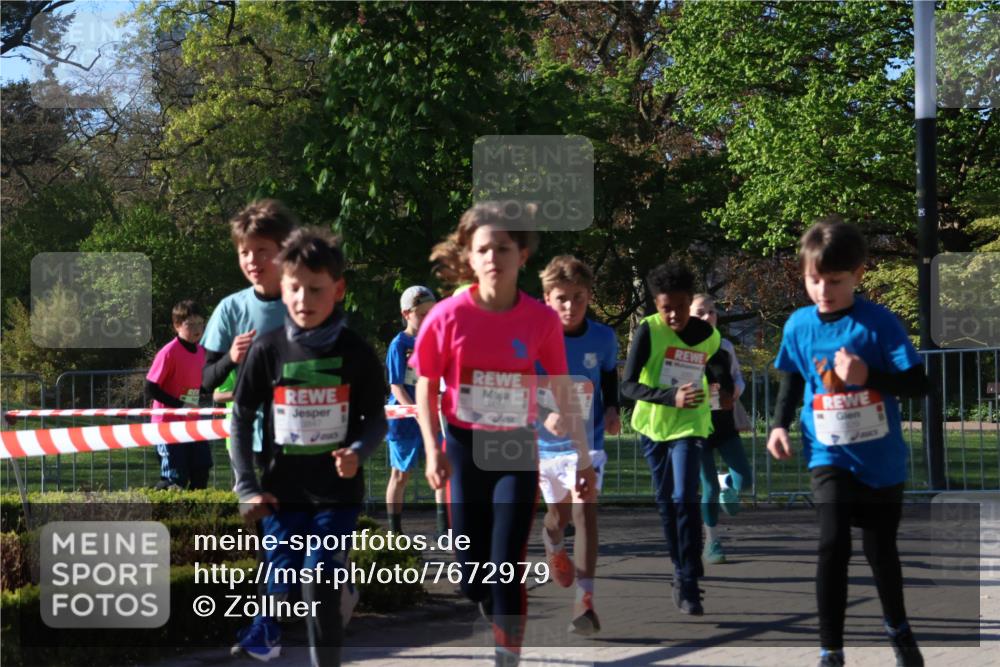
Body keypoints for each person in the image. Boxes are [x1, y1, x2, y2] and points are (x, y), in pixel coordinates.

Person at [411, 201, 597, 667]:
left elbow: (561, 389)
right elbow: (426, 384)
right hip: (463, 444)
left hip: (513, 444)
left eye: (503, 247)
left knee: (505, 566)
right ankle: (487, 602)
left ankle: (506, 656)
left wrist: (583, 459)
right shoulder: (447, 316)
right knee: (474, 576)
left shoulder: (540, 320)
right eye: (483, 249)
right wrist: (434, 451)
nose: (493, 257)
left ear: (522, 255)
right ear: (470, 258)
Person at [767, 218, 928, 667]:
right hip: (827, 453)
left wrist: (868, 377)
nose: (823, 290)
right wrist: (779, 425)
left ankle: (899, 630)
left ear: (859, 274)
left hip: (879, 460)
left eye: (835, 281)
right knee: (832, 543)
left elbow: (919, 384)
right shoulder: (798, 325)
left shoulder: (878, 324)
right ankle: (830, 650)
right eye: (814, 280)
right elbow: (792, 377)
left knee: (880, 551)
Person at [229, 227, 387, 667]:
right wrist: (246, 486)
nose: (303, 299)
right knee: (282, 572)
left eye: (315, 290)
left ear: (337, 290)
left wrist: (357, 449)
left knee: (319, 580)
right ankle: (267, 628)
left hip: (336, 492)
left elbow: (377, 418)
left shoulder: (356, 352)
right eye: (294, 288)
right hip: (283, 490)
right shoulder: (268, 350)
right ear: (283, 287)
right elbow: (239, 419)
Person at [621, 263, 733, 616]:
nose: (673, 315)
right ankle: (680, 564)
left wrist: (724, 387)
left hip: (691, 426)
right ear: (656, 304)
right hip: (653, 425)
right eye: (665, 307)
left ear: (689, 302)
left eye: (680, 306)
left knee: (685, 496)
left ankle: (688, 582)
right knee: (667, 502)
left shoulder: (707, 334)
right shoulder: (649, 331)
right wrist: (670, 397)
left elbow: (717, 362)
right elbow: (627, 385)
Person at [534, 255, 620, 635]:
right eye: (561, 298)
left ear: (589, 296)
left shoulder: (602, 337)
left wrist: (614, 408)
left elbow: (608, 374)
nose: (570, 307)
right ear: (547, 298)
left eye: (579, 297)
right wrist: (543, 411)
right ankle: (552, 540)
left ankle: (584, 602)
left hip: (587, 444)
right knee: (560, 517)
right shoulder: (533, 336)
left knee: (586, 513)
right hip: (543, 445)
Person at [201, 199, 298, 454]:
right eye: (244, 252)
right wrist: (231, 357)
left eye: (262, 250)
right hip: (251, 442)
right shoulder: (229, 309)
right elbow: (206, 380)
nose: (252, 260)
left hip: (306, 437)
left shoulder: (308, 301)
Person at [689, 293, 752, 564]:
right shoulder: (682, 347)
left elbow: (737, 376)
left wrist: (736, 390)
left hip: (725, 424)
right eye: (700, 312)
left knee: (745, 480)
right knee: (708, 490)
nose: (707, 317)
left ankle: (728, 482)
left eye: (712, 312)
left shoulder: (725, 345)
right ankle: (712, 542)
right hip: (696, 428)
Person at [385, 285, 448, 536]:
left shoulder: (438, 340)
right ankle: (394, 532)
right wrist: (414, 410)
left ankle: (446, 531)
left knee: (442, 473)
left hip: (434, 416)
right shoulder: (399, 344)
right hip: (405, 419)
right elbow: (396, 385)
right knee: (400, 475)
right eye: (421, 314)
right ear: (406, 313)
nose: (427, 319)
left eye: (431, 313)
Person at [146, 300, 209, 489]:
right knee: (175, 478)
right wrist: (181, 406)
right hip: (168, 425)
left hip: (193, 423)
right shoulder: (168, 352)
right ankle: (162, 512)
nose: (197, 329)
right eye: (190, 324)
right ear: (177, 325)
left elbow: (197, 385)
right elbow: (150, 388)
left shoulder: (201, 351)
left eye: (200, 323)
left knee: (201, 471)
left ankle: (196, 517)